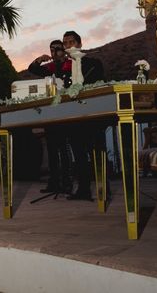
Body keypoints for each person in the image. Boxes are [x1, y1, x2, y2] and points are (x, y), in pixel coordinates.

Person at [62, 31, 107, 201]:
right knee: (79, 155)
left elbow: (100, 83)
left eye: (72, 42)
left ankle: (104, 189)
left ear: (79, 44)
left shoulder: (93, 63)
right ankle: (83, 190)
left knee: (97, 153)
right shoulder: (64, 67)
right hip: (74, 116)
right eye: (65, 43)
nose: (68, 45)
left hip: (92, 114)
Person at [27, 40, 73, 194]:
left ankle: (67, 182)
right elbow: (32, 69)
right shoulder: (50, 68)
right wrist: (39, 59)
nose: (54, 53)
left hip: (66, 112)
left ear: (63, 51)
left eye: (57, 50)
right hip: (51, 113)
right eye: (52, 50)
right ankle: (53, 183)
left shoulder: (70, 65)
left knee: (64, 150)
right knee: (52, 149)